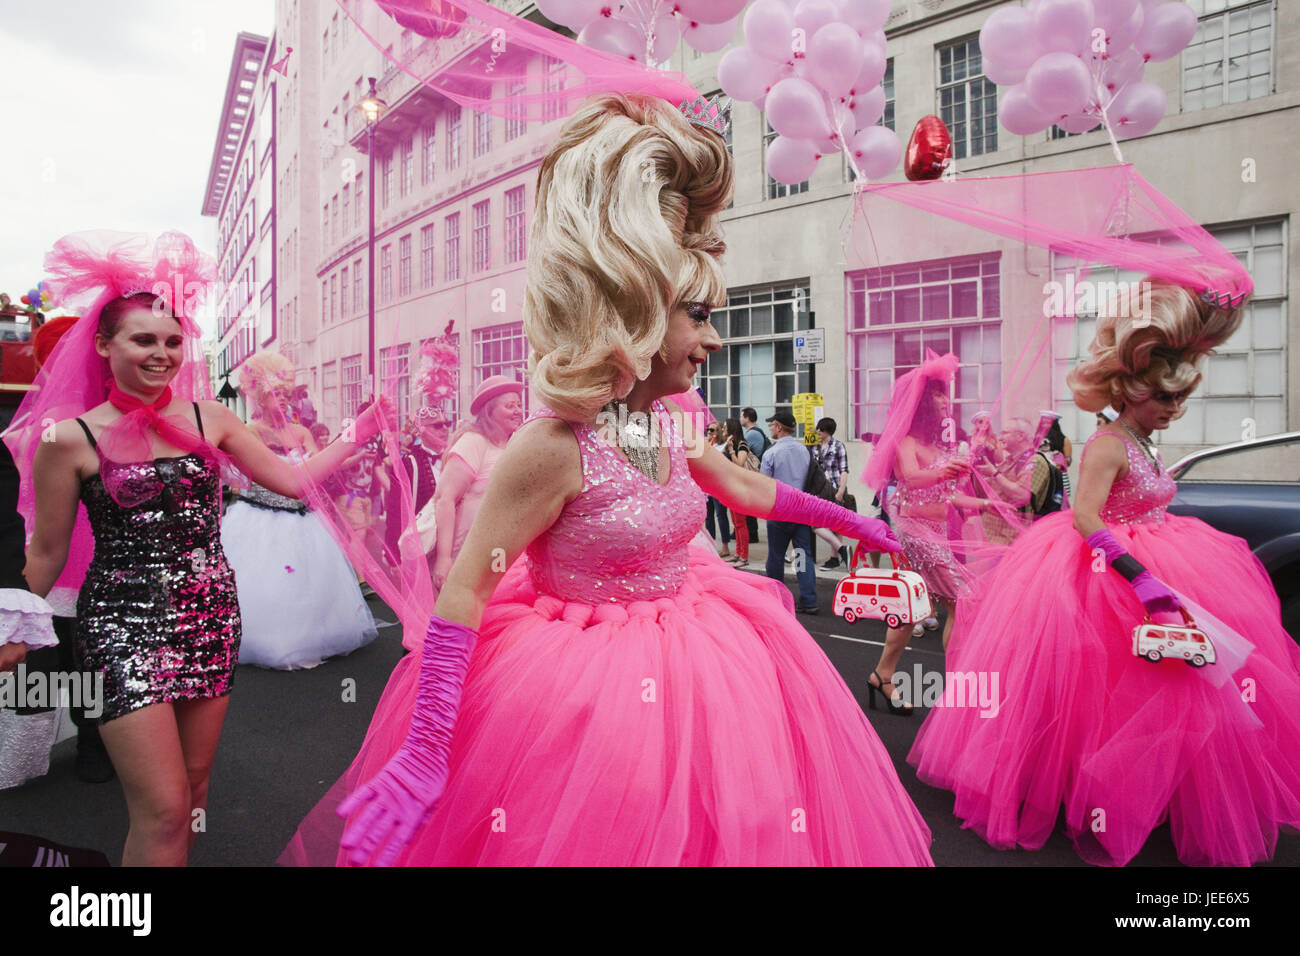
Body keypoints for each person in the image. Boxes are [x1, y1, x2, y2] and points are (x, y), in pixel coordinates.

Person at [284, 92, 927, 867]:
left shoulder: (668, 423)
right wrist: (427, 745)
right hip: (580, 699)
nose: (713, 340)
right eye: (696, 315)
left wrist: (876, 531)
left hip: (704, 658)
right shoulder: (552, 445)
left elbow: (751, 492)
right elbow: (464, 591)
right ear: (634, 316)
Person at [6, 231, 388, 865]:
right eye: (144, 340)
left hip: (209, 618)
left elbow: (293, 481)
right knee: (159, 809)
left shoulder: (212, 419)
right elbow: (46, 552)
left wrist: (359, 431)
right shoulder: (67, 440)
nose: (162, 354)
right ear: (105, 346)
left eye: (173, 342)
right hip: (120, 625)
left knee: (192, 795)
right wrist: (16, 621)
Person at [908, 280, 1300, 866]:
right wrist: (1139, 575)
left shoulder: (1145, 438)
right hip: (1106, 571)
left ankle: (1155, 790)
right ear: (1132, 392)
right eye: (1165, 399)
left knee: (1171, 684)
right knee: (1098, 690)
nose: (1174, 410)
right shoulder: (1109, 443)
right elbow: (1086, 516)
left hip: (1167, 556)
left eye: (1180, 399)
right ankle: (1081, 793)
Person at [221, 352, 377, 670]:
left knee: (310, 580)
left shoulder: (302, 433)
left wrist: (353, 451)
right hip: (260, 519)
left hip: (304, 519)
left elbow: (320, 471)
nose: (281, 400)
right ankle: (270, 639)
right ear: (260, 399)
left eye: (285, 394)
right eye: (274, 394)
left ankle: (314, 635)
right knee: (269, 583)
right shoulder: (249, 433)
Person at [862, 353, 992, 713]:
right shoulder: (905, 442)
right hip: (914, 530)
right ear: (920, 403)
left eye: (945, 395)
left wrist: (985, 505)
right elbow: (911, 479)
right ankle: (957, 689)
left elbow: (947, 495)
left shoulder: (939, 446)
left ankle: (882, 675)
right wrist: (945, 470)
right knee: (961, 603)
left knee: (911, 607)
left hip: (936, 528)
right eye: (937, 395)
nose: (945, 401)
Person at [429, 376, 523, 590]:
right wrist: (444, 559)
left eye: (519, 404)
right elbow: (445, 499)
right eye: (510, 406)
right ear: (489, 411)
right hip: (466, 553)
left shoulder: (513, 445)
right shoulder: (474, 442)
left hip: (499, 553)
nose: (518, 410)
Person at [760, 410, 818, 614]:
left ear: (778, 427)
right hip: (801, 509)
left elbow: (764, 484)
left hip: (779, 510)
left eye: (771, 425)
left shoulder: (771, 453)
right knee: (803, 555)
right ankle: (809, 599)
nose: (770, 429)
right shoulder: (804, 450)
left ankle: (776, 598)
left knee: (776, 556)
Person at [383, 406, 449, 562]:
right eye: (438, 425)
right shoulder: (408, 464)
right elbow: (395, 511)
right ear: (421, 430)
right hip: (423, 548)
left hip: (454, 546)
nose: (445, 429)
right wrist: (393, 555)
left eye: (448, 423)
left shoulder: (456, 457)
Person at [812, 417, 851, 569]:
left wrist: (841, 490)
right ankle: (841, 551)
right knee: (817, 524)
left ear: (827, 430)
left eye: (821, 429)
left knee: (834, 525)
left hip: (835, 489)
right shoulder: (815, 447)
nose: (818, 432)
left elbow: (844, 469)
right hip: (820, 489)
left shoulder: (838, 446)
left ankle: (835, 557)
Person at [720, 418, 752, 568]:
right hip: (731, 488)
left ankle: (744, 557)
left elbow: (739, 464)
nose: (723, 430)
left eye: (725, 427)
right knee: (736, 523)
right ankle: (738, 553)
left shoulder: (742, 444)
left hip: (740, 488)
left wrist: (732, 450)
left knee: (740, 523)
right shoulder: (728, 444)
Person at [702, 420, 734, 557]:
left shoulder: (722, 446)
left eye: (712, 430)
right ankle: (712, 545)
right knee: (708, 517)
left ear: (719, 432)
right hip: (706, 487)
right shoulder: (706, 445)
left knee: (721, 515)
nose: (709, 432)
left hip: (718, 486)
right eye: (708, 430)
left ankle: (725, 546)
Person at [739, 407, 765, 545]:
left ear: (748, 418)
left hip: (752, 473)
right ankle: (751, 531)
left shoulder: (751, 434)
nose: (740, 419)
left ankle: (751, 532)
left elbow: (742, 453)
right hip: (755, 473)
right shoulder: (756, 431)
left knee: (748, 503)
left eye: (742, 416)